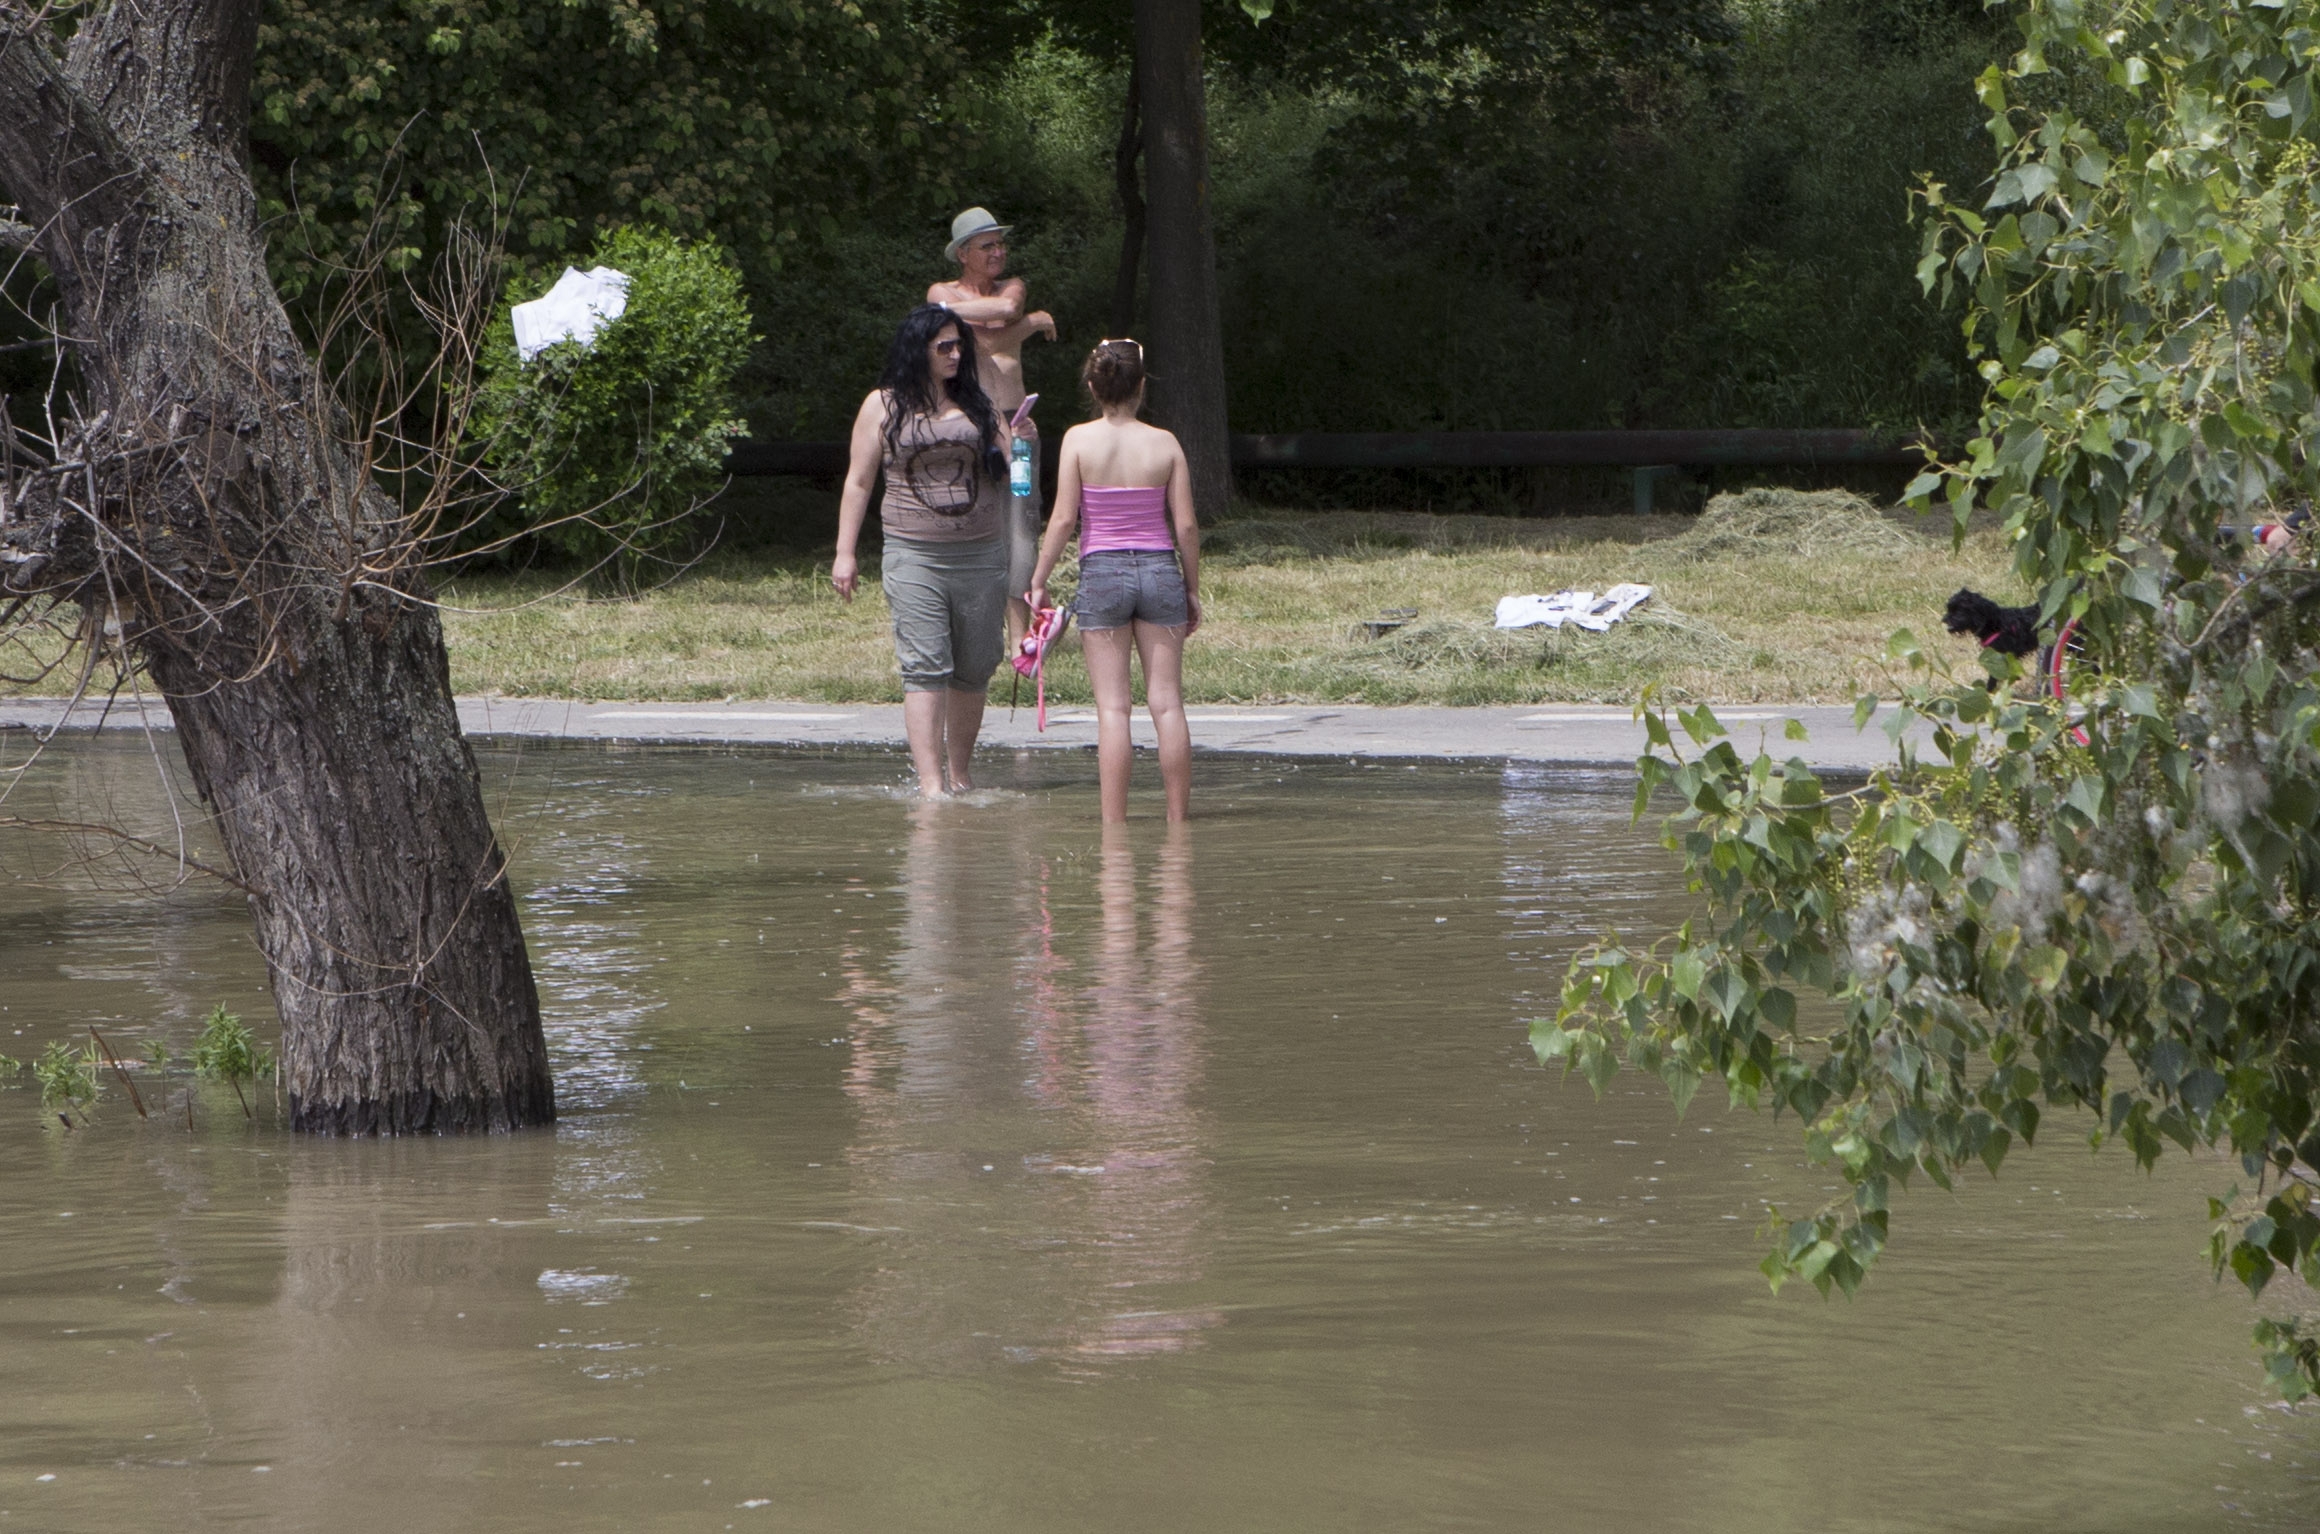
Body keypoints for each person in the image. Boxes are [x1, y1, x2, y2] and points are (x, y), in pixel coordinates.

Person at [833, 304, 1012, 797]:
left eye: (960, 346)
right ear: (919, 351)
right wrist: (845, 553)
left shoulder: (979, 404)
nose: (956, 355)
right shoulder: (882, 406)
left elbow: (1010, 480)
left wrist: (1016, 447)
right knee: (926, 665)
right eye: (945, 347)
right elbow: (859, 480)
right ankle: (931, 786)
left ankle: (960, 775)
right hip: (915, 555)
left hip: (981, 554)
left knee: (976, 664)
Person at [1027, 339, 1202, 822]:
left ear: (1092, 386)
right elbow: (1185, 525)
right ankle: (1177, 822)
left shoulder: (1078, 441)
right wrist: (1191, 588)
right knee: (1167, 705)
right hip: (1160, 572)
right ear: (1142, 386)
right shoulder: (1165, 443)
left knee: (1113, 710)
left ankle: (1114, 829)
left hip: (1102, 574)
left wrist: (1039, 578)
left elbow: (1063, 519)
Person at [928, 208, 1056, 655]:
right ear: (962, 253)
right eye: (988, 245)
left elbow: (1004, 310)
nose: (999, 252)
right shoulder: (939, 291)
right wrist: (1032, 324)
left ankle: (1025, 629)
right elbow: (985, 342)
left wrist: (958, 316)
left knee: (1021, 520)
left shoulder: (1011, 287)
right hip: (968, 426)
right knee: (973, 521)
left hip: (1017, 423)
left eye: (1001, 243)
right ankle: (976, 623)